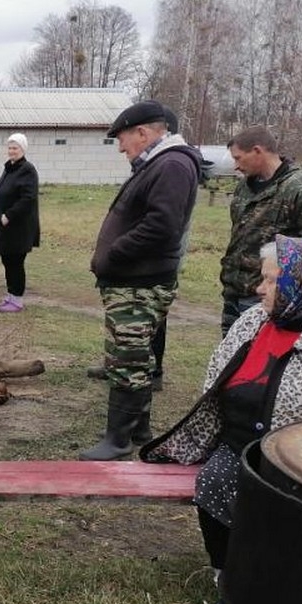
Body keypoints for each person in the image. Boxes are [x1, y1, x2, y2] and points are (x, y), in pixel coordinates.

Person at [140, 235, 302, 604]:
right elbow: (216, 380)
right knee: (216, 482)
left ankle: (283, 600)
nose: (260, 289)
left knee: (276, 505)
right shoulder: (256, 319)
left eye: (271, 281)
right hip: (239, 443)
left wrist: (294, 463)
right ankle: (234, 590)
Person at [78, 100, 200, 461]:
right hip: (135, 281)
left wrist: (113, 253)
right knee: (136, 355)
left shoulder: (173, 165)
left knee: (127, 358)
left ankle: (118, 440)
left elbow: (162, 227)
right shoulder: (160, 164)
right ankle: (140, 427)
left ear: (143, 133)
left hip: (140, 283)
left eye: (123, 139)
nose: (120, 147)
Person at [219, 125, 302, 336]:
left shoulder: (300, 188)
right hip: (234, 292)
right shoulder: (245, 187)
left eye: (238, 158)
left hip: (269, 296)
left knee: (258, 363)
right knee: (228, 360)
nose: (236, 166)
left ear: (257, 151)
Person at [0, 133, 40, 313]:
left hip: (18, 228)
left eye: (15, 148)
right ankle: (11, 296)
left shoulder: (27, 169)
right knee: (8, 261)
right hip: (6, 228)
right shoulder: (10, 168)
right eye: (9, 148)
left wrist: (9, 215)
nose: (11, 151)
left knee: (15, 262)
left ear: (23, 149)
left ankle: (17, 301)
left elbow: (28, 198)